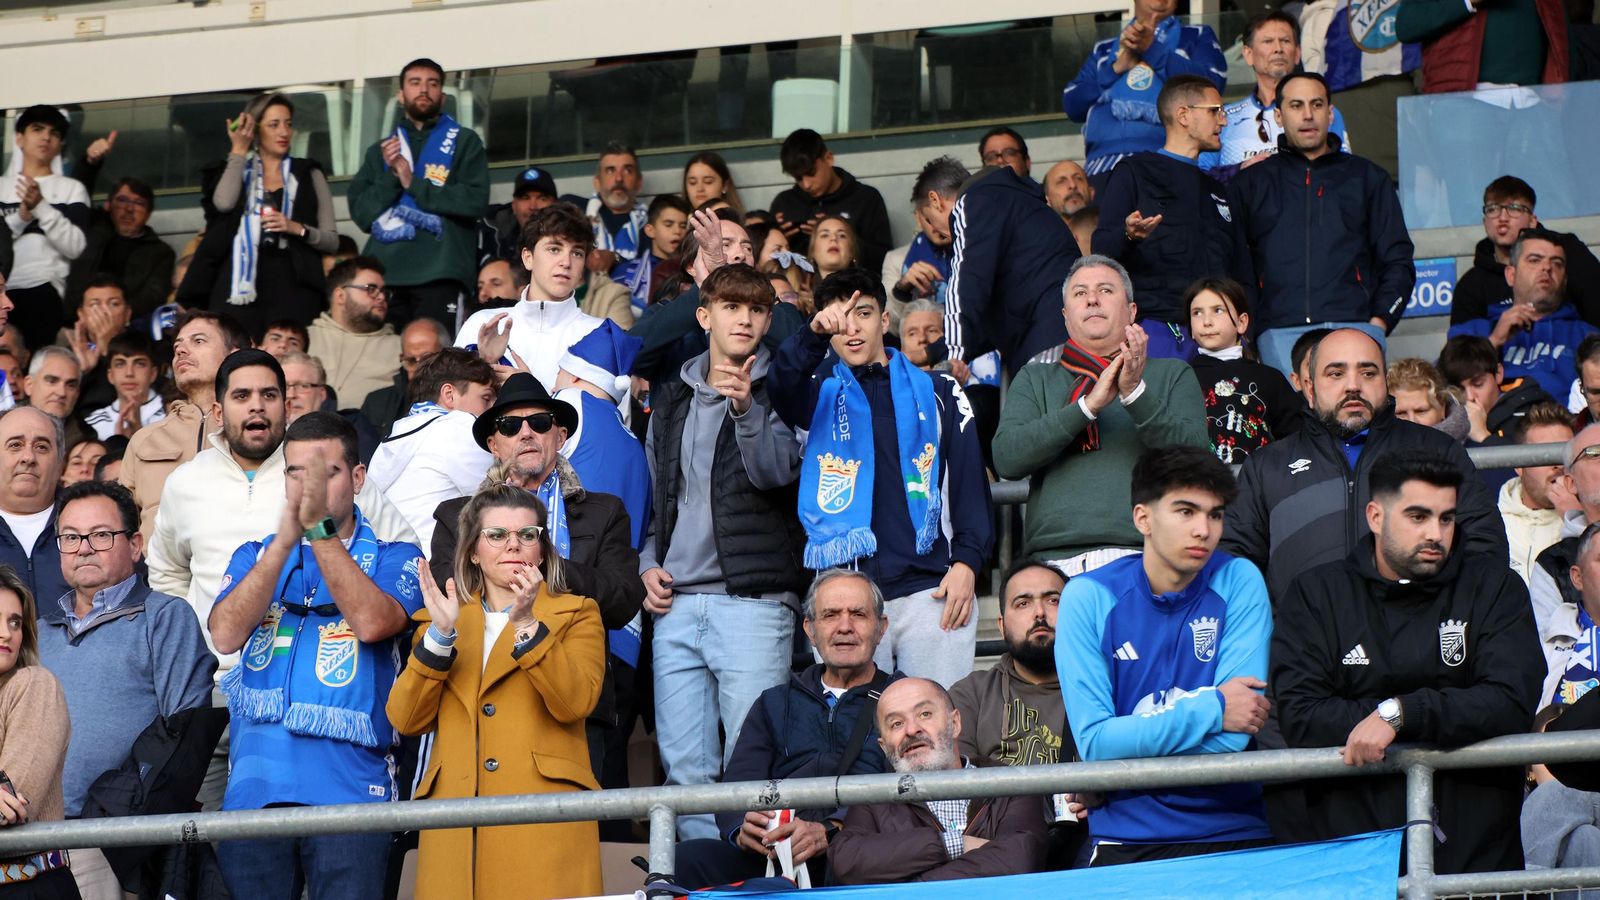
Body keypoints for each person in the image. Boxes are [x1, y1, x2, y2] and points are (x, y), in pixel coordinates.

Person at [1272, 450, 1541, 874]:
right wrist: (1421, 715)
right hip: (1357, 864)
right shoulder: (1317, 595)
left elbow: (1509, 700)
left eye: (1446, 518)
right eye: (1418, 517)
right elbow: (1300, 715)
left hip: (1476, 864)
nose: (1435, 533)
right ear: (1375, 516)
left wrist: (1401, 714)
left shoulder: (1494, 588)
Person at [207, 412, 424, 900]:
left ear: (358, 477)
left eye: (326, 471)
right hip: (253, 795)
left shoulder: (398, 557)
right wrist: (285, 543)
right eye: (295, 471)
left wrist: (319, 532)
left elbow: (372, 622)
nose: (308, 485)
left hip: (351, 796)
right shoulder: (255, 554)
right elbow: (224, 634)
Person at [641, 264, 805, 838]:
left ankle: (755, 881)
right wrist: (647, 567)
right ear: (705, 316)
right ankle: (702, 878)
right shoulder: (669, 402)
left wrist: (747, 411)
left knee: (753, 761)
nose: (746, 318)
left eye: (758, 310)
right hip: (676, 605)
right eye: (733, 307)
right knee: (685, 771)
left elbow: (776, 474)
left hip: (755, 603)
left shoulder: (782, 388)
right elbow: (659, 504)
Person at [770, 270, 992, 687]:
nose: (851, 328)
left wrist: (967, 563)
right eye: (839, 318)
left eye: (864, 314)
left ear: (884, 321)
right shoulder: (816, 390)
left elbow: (968, 485)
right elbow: (781, 385)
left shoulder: (940, 389)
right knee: (852, 741)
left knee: (935, 731)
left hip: (931, 592)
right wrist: (812, 336)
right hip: (846, 596)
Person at [388, 483, 604, 900]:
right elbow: (405, 718)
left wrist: (526, 625)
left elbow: (574, 702)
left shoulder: (577, 612)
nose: (514, 545)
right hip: (456, 832)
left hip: (544, 828)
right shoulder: (442, 621)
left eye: (527, 535)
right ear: (473, 551)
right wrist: (440, 635)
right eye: (497, 535)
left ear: (541, 550)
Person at [1059, 445, 1272, 864]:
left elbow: (1234, 737)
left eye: (1215, 514)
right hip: (1124, 834)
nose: (1204, 530)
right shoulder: (1087, 597)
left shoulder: (1239, 579)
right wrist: (1212, 707)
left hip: (1232, 826)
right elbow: (1096, 742)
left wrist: (1122, 754)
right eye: (1186, 511)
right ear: (1143, 518)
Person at [429, 373, 644, 778]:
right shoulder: (456, 517)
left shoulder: (605, 511)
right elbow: (449, 594)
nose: (526, 432)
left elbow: (622, 599)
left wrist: (543, 562)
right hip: (480, 694)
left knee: (570, 832)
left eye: (540, 423)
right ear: (494, 445)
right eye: (510, 426)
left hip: (575, 696)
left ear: (560, 437)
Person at [1222, 328, 1506, 601]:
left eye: (1368, 373)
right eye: (1336, 373)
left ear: (1385, 380)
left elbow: (1483, 545)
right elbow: (1235, 567)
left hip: (1417, 643)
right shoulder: (1267, 466)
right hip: (1303, 645)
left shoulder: (1436, 450)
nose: (1353, 385)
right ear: (1309, 387)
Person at [36, 481, 215, 900]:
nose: (83, 548)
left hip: (109, 841)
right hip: (32, 837)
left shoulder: (165, 617)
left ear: (135, 545)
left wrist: (120, 818)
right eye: (70, 537)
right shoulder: (38, 632)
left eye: (101, 535)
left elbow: (183, 735)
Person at [672, 569, 900, 888]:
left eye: (858, 614)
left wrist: (834, 829)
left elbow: (909, 792)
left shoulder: (906, 698)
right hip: (777, 852)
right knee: (683, 860)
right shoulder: (774, 703)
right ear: (810, 629)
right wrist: (742, 828)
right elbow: (736, 787)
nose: (844, 627)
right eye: (830, 615)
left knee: (855, 863)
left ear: (881, 628)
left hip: (859, 849)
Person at [992, 255, 1207, 574]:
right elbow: (1007, 459)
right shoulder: (1036, 377)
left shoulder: (1171, 374)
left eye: (1106, 290)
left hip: (1145, 554)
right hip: (1053, 561)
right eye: (1080, 293)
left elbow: (1195, 460)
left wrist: (1135, 393)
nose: (1092, 299)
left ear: (1132, 311)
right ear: (1066, 317)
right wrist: (1086, 408)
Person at [1226, 72, 1414, 376]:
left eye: (1316, 104)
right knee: (1290, 424)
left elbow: (1397, 258)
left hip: (1354, 328)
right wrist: (1254, 329)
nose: (1308, 115)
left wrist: (1378, 322)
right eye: (1296, 105)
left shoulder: (1368, 178)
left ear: (1330, 113)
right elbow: (1235, 263)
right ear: (1279, 114)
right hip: (1277, 333)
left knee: (1355, 424)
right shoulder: (1251, 183)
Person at [829, 677, 1049, 885]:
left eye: (925, 714)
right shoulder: (874, 798)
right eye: (896, 724)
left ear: (955, 723)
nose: (911, 730)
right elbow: (846, 860)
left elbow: (1020, 858)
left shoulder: (1010, 783)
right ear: (884, 746)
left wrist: (911, 887)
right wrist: (951, 845)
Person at [1092, 74, 1237, 345]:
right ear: (1183, 115)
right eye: (1215, 111)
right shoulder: (1134, 172)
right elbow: (1101, 250)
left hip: (1221, 335)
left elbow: (1239, 266)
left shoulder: (1217, 189)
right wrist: (1129, 235)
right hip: (1161, 329)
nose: (1223, 120)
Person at [178, 92, 336, 338]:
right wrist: (239, 150)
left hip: (293, 283)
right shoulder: (234, 168)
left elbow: (331, 240)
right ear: (255, 129)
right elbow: (224, 203)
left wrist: (296, 228)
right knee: (237, 355)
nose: (284, 132)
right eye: (274, 124)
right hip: (237, 284)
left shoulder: (308, 172)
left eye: (288, 123)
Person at [349, 57, 489, 328]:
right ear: (400, 95)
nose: (424, 90)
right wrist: (392, 177)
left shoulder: (465, 141)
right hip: (386, 277)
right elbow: (362, 214)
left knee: (438, 362)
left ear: (443, 95)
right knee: (389, 362)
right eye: (415, 83)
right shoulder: (382, 150)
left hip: (442, 273)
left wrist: (413, 183)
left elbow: (475, 201)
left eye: (432, 83)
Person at [1061, 0, 1226, 186]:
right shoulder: (1105, 49)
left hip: (1165, 160)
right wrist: (1116, 68)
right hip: (1102, 164)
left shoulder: (1196, 34)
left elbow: (1212, 85)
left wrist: (1152, 50)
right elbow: (1072, 105)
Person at [119, 310, 250, 540]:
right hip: (156, 574)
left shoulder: (258, 431)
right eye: (177, 345)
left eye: (198, 341)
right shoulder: (144, 439)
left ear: (234, 356)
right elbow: (122, 525)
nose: (181, 350)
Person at [943, 163, 1081, 378]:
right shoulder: (1035, 210)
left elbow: (967, 281)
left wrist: (953, 354)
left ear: (939, 202)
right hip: (1078, 336)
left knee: (1045, 410)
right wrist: (932, 350)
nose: (948, 237)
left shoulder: (974, 200)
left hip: (1047, 344)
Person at [456, 204, 605, 392]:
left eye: (577, 253)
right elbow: (450, 408)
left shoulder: (599, 335)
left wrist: (528, 387)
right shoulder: (482, 323)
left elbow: (609, 419)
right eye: (554, 249)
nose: (566, 263)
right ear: (528, 258)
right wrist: (486, 366)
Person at [0, 565, 77, 898]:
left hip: (27, 886)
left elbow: (12, 804)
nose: (6, 633)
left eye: (14, 622)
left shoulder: (34, 685)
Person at [366, 348, 495, 547]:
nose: (494, 408)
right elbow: (496, 499)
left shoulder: (397, 434)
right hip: (439, 566)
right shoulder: (460, 425)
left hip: (393, 562)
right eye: (486, 398)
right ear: (449, 395)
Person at [1199, 12, 1352, 178]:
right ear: (1248, 54)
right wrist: (1241, 169)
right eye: (1268, 41)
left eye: (1285, 41)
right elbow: (1201, 175)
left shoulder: (1322, 112)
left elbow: (1343, 172)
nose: (1278, 49)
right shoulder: (1223, 118)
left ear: (1297, 53)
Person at [1449, 228, 1595, 402]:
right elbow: (1446, 380)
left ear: (1564, 280)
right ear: (1511, 275)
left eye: (1556, 263)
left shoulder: (1587, 336)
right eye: (1534, 260)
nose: (1547, 267)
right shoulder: (1477, 330)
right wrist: (1493, 341)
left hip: (1565, 425)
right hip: (1493, 426)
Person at [1450, 177, 1600, 328]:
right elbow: (1461, 349)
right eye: (1493, 209)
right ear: (1485, 222)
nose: (1502, 218)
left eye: (1514, 208)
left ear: (1532, 221)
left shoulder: (1567, 251)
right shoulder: (1471, 284)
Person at [1187, 277, 1303, 464]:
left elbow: (1296, 438)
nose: (1206, 321)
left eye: (1218, 310)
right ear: (1190, 327)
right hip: (1197, 482)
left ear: (1241, 322)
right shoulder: (1180, 376)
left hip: (1256, 484)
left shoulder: (1268, 378)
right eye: (1197, 313)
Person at [1, 105, 89, 351]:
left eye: (54, 133)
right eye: (37, 129)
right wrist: (20, 217)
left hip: (45, 291)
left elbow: (76, 247)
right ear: (19, 137)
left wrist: (41, 207)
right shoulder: (1, 186)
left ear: (60, 143)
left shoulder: (71, 188)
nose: (46, 137)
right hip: (2, 289)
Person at [769, 129, 893, 275]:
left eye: (811, 173)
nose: (806, 184)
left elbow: (885, 259)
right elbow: (766, 261)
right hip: (796, 291)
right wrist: (780, 240)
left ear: (828, 158)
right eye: (798, 178)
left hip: (856, 288)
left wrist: (843, 237)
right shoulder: (785, 203)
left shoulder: (865, 198)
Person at [1396, 0, 1568, 93]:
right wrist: (1467, 2)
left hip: (1532, 102)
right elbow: (1407, 25)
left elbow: (1561, 33)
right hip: (1467, 102)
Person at [64, 175, 174, 319]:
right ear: (108, 205)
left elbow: (152, 296)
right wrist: (90, 165)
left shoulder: (161, 253)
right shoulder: (91, 231)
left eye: (139, 203)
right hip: (74, 319)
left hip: (125, 327)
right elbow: (77, 194)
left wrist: (114, 315)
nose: (129, 208)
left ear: (148, 214)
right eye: (122, 200)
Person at [0, 405, 70, 626]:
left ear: (60, 463)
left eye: (41, 447)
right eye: (15, 445)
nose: (28, 457)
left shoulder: (97, 525)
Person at [306, 256, 402, 411]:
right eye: (370, 289)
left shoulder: (401, 347)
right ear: (340, 295)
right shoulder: (304, 339)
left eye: (384, 291)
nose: (382, 297)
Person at [1500, 402, 1574, 585]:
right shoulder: (1492, 525)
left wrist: (1577, 521)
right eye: (1544, 455)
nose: (1557, 464)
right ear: (1519, 465)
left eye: (1565, 453)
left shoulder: (1591, 520)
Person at [1436, 334, 1553, 446]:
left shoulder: (1535, 410)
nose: (1469, 397)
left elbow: (1533, 463)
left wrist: (1483, 436)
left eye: (1478, 384)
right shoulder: (1442, 414)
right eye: (1458, 389)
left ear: (1498, 373)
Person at [891, 156, 964, 313]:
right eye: (928, 220)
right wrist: (902, 289)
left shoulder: (981, 245)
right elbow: (888, 324)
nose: (937, 228)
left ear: (936, 201)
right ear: (918, 217)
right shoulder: (897, 260)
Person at [359, 318, 447, 439]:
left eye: (427, 360)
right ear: (402, 358)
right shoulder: (376, 404)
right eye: (411, 361)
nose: (418, 369)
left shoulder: (465, 402)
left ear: (447, 357)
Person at [613, 193, 691, 319]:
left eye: (682, 226)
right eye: (668, 224)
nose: (677, 231)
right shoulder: (625, 272)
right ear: (650, 230)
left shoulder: (692, 271)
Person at [83, 331, 165, 441]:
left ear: (153, 374)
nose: (129, 373)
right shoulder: (93, 423)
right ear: (110, 375)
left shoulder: (174, 414)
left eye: (139, 364)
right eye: (120, 364)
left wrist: (138, 430)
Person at [581, 142, 648, 273]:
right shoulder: (577, 214)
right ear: (597, 183)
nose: (618, 178)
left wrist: (615, 258)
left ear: (639, 182)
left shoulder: (652, 226)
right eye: (610, 170)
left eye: (627, 170)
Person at [477, 165, 557, 267]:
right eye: (525, 198)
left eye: (542, 198)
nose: (533, 206)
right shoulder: (494, 234)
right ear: (514, 206)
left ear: (556, 205)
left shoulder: (571, 238)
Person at [279, 351, 329, 424]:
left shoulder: (339, 434)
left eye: (303, 386)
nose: (291, 395)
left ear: (322, 394)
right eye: (284, 386)